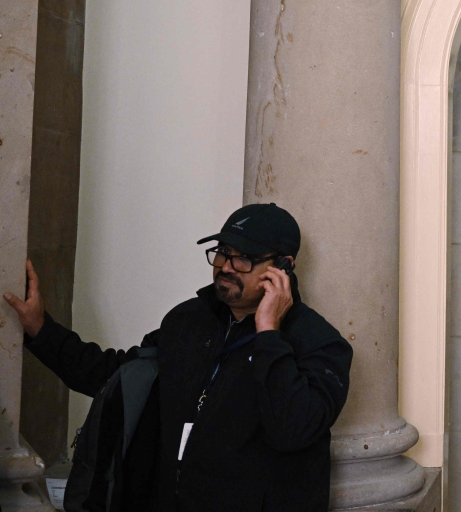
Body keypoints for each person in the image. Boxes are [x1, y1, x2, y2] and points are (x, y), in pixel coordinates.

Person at [3, 203, 353, 512]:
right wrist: (40, 330)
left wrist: (268, 333)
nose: (226, 266)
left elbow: (293, 429)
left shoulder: (320, 344)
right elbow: (118, 376)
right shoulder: (188, 321)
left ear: (284, 267)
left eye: (244, 257)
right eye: (223, 252)